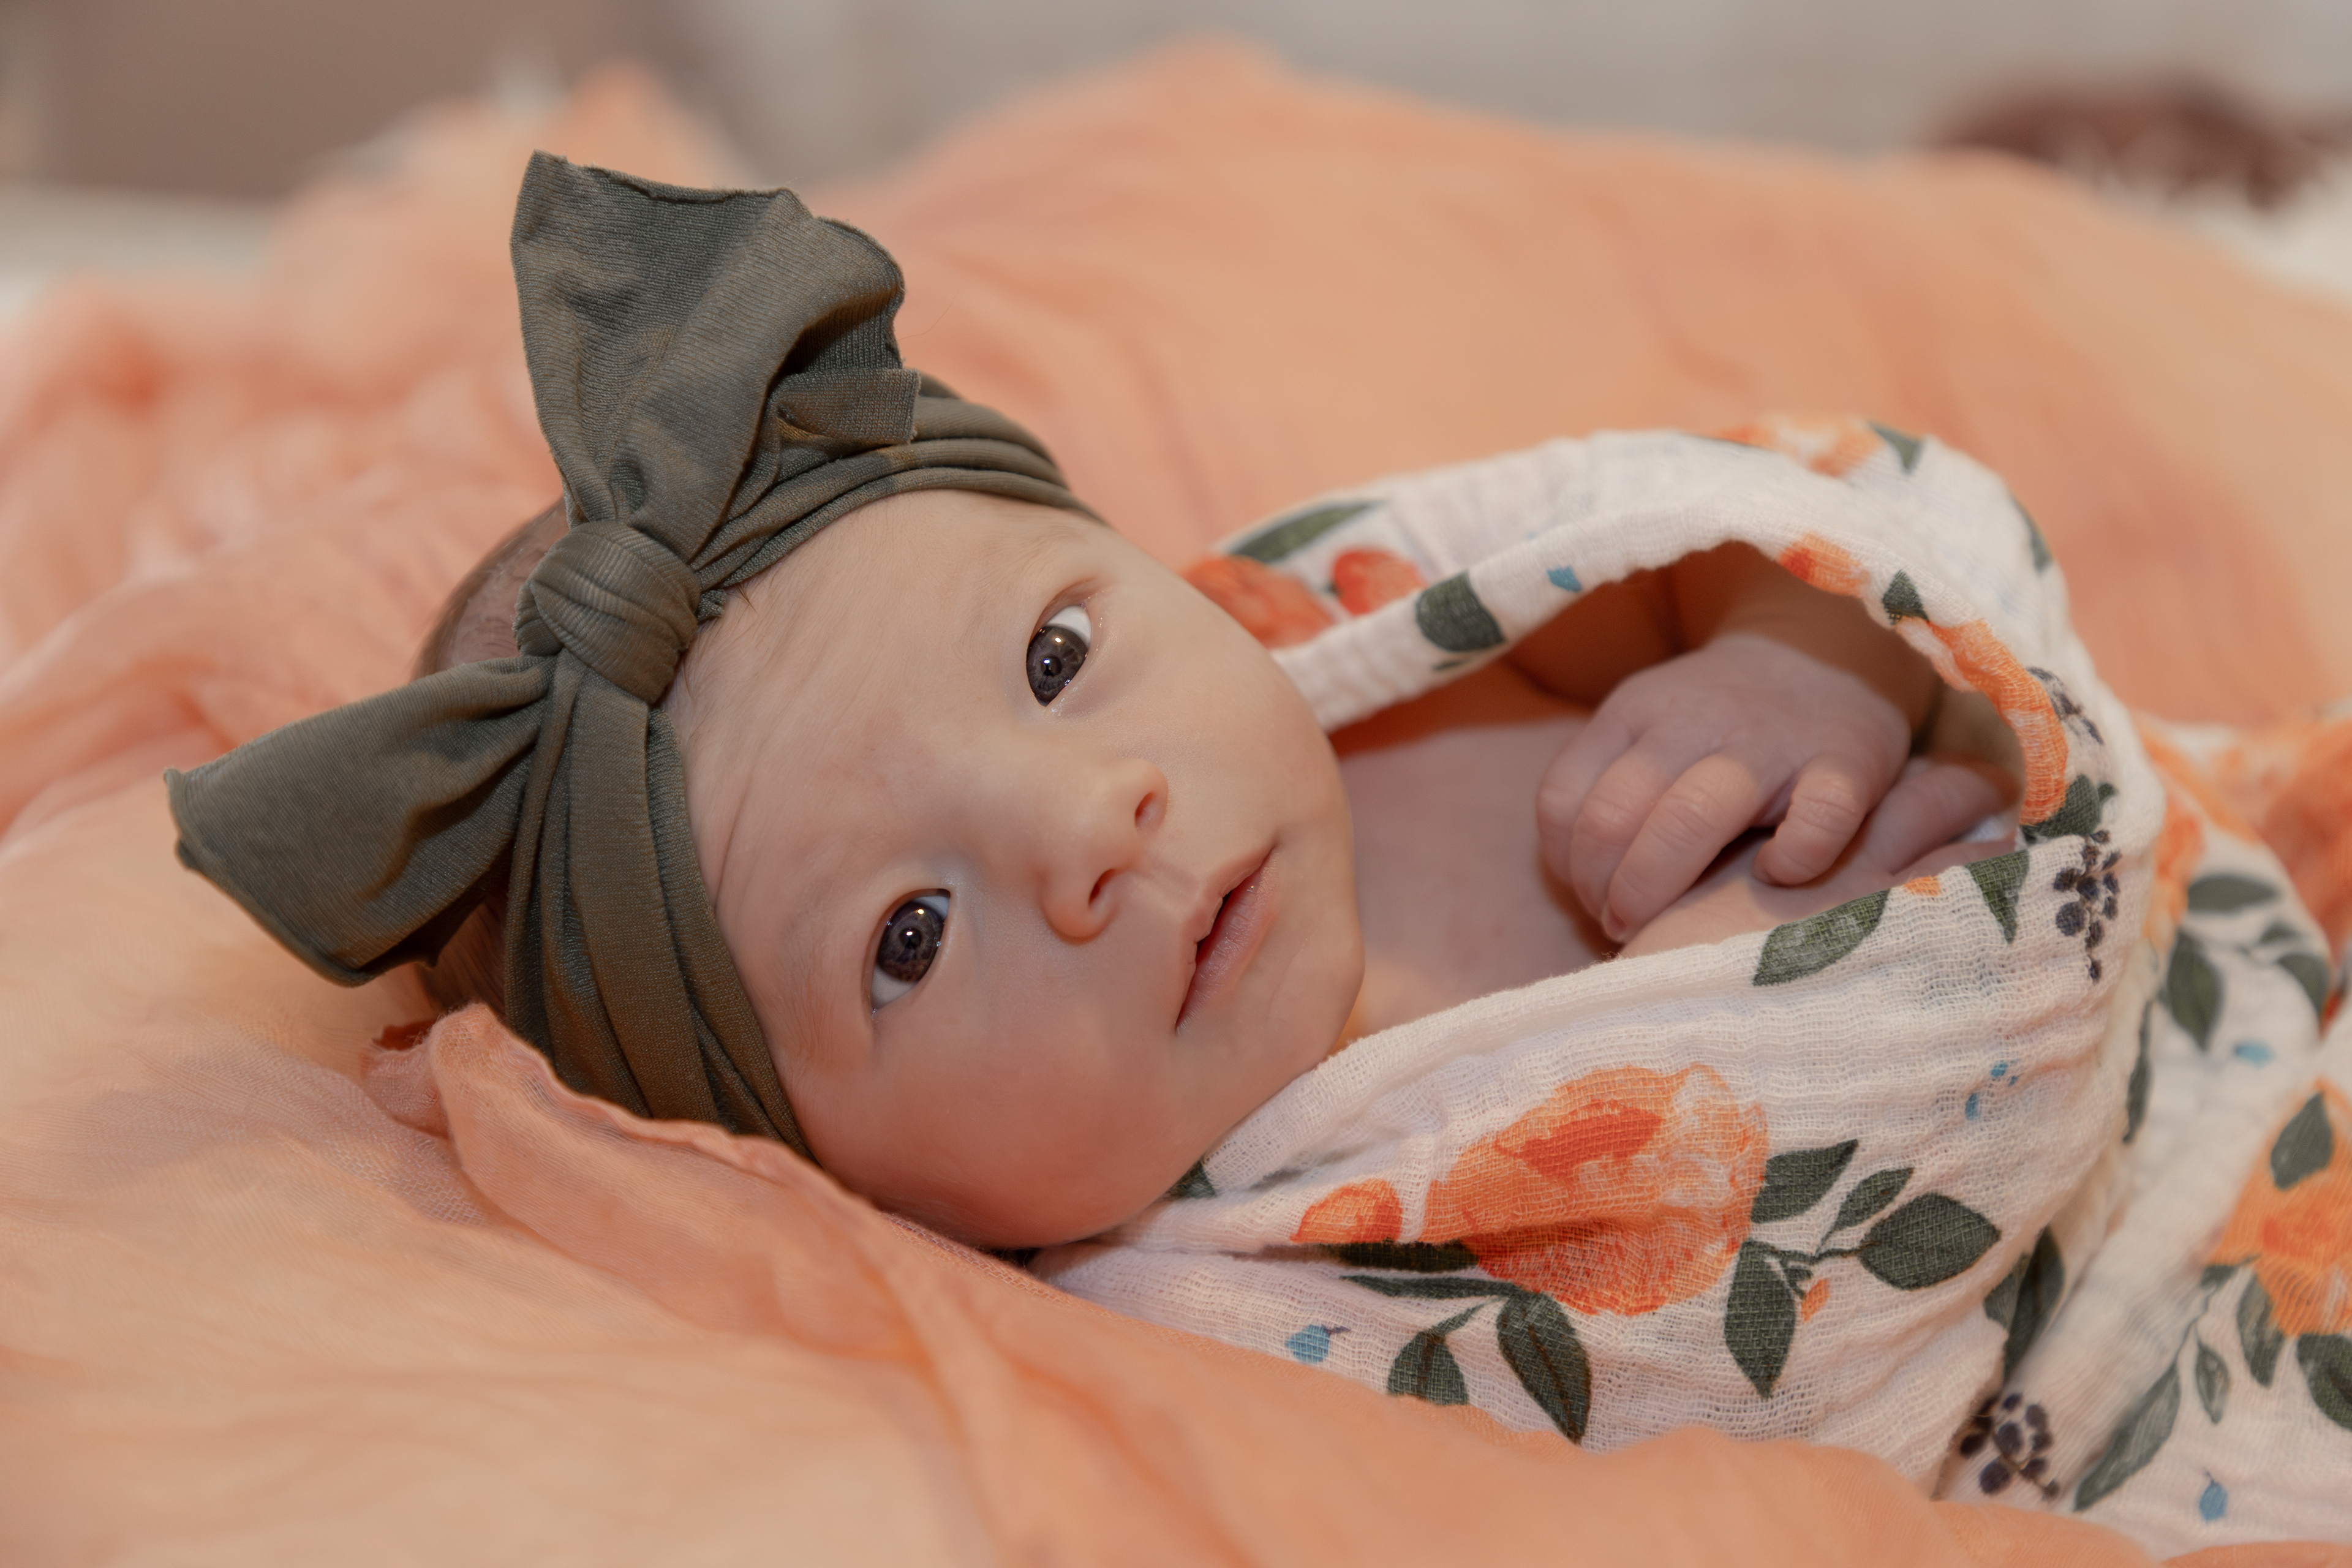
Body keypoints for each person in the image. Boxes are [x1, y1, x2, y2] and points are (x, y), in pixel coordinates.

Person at [168, 154, 2016, 1252]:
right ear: (837, 1185)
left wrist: (1803, 664)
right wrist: (1745, 1045)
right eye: (906, 936)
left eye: (1056, 660)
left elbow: (1762, 512)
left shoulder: (1425, 650)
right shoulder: (1204, 1298)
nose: (1085, 825)